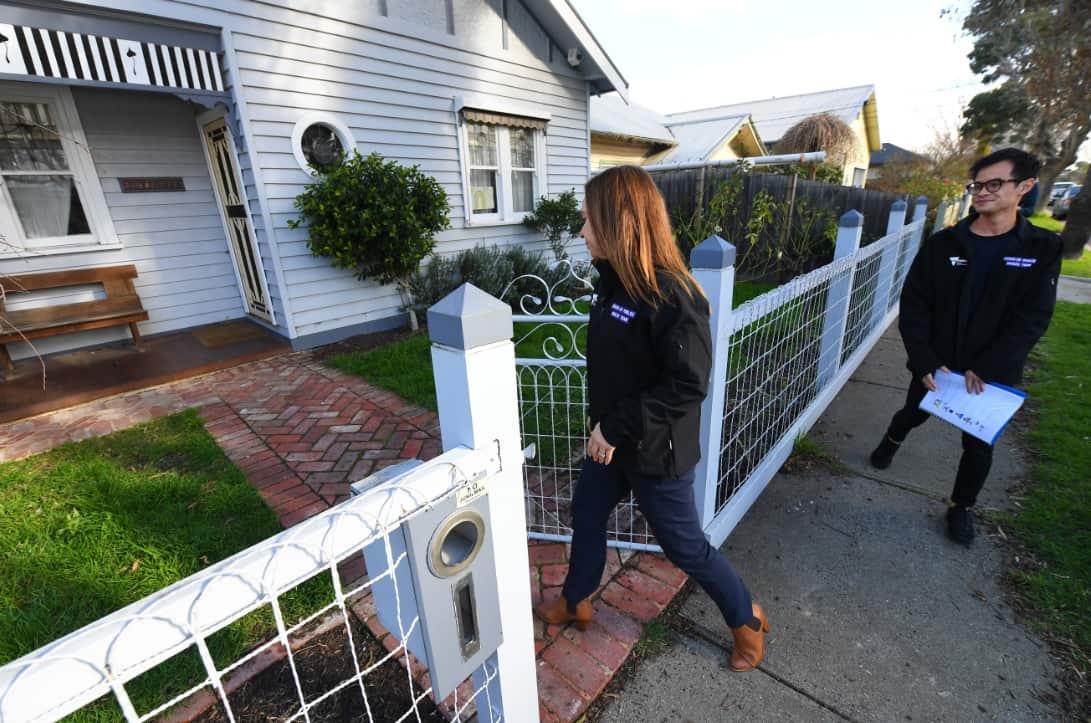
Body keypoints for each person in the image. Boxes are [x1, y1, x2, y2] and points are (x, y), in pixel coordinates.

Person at [535, 165, 769, 672]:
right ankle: (577, 599)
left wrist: (614, 426)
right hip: (612, 443)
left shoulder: (674, 295)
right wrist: (606, 430)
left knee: (684, 547)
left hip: (655, 450)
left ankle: (744, 617)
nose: (581, 231)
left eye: (588, 221)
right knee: (588, 513)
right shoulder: (614, 286)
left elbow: (688, 384)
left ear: (620, 220)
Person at [870, 148, 1062, 546]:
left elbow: (1033, 317)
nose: (982, 192)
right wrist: (922, 357)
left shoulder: (1041, 248)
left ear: (1024, 187)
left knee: (979, 445)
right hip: (937, 364)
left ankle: (962, 507)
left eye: (995, 184)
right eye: (978, 184)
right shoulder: (944, 244)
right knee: (913, 413)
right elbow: (915, 304)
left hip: (992, 372)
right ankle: (891, 441)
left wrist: (990, 365)